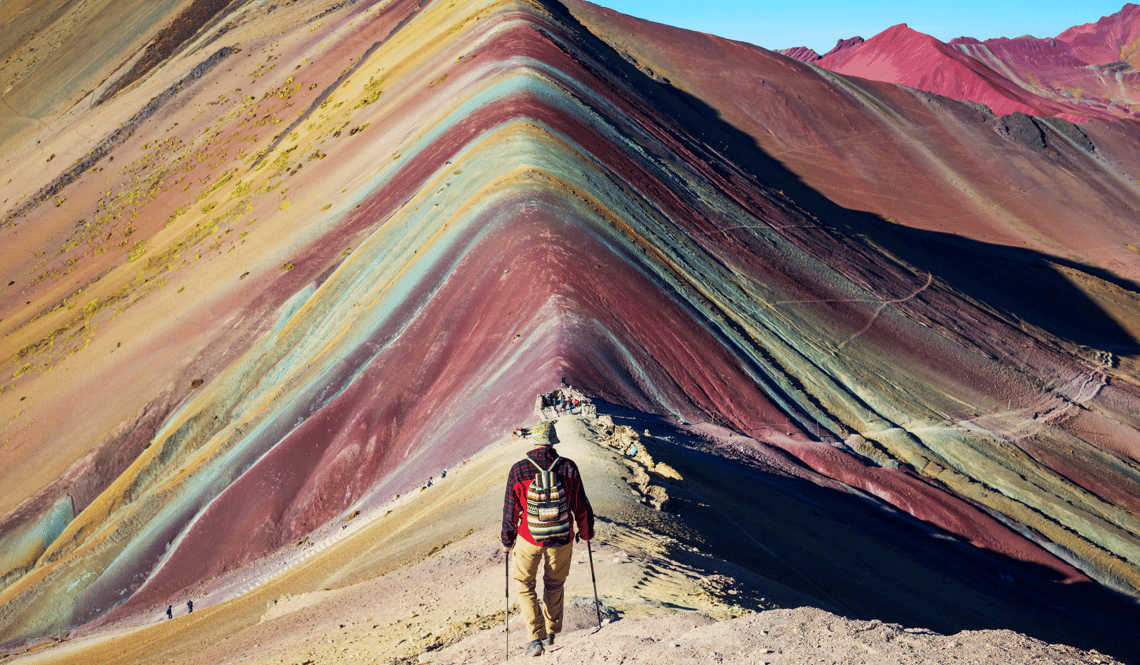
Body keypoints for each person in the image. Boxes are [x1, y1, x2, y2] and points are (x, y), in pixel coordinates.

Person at [501, 420, 594, 657]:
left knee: (524, 585)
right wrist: (585, 532)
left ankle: (535, 640)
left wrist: (506, 540)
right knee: (554, 584)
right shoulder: (568, 467)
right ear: (553, 442)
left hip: (529, 539)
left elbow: (510, 510)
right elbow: (580, 505)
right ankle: (552, 632)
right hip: (562, 538)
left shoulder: (518, 469)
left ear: (534, 441)